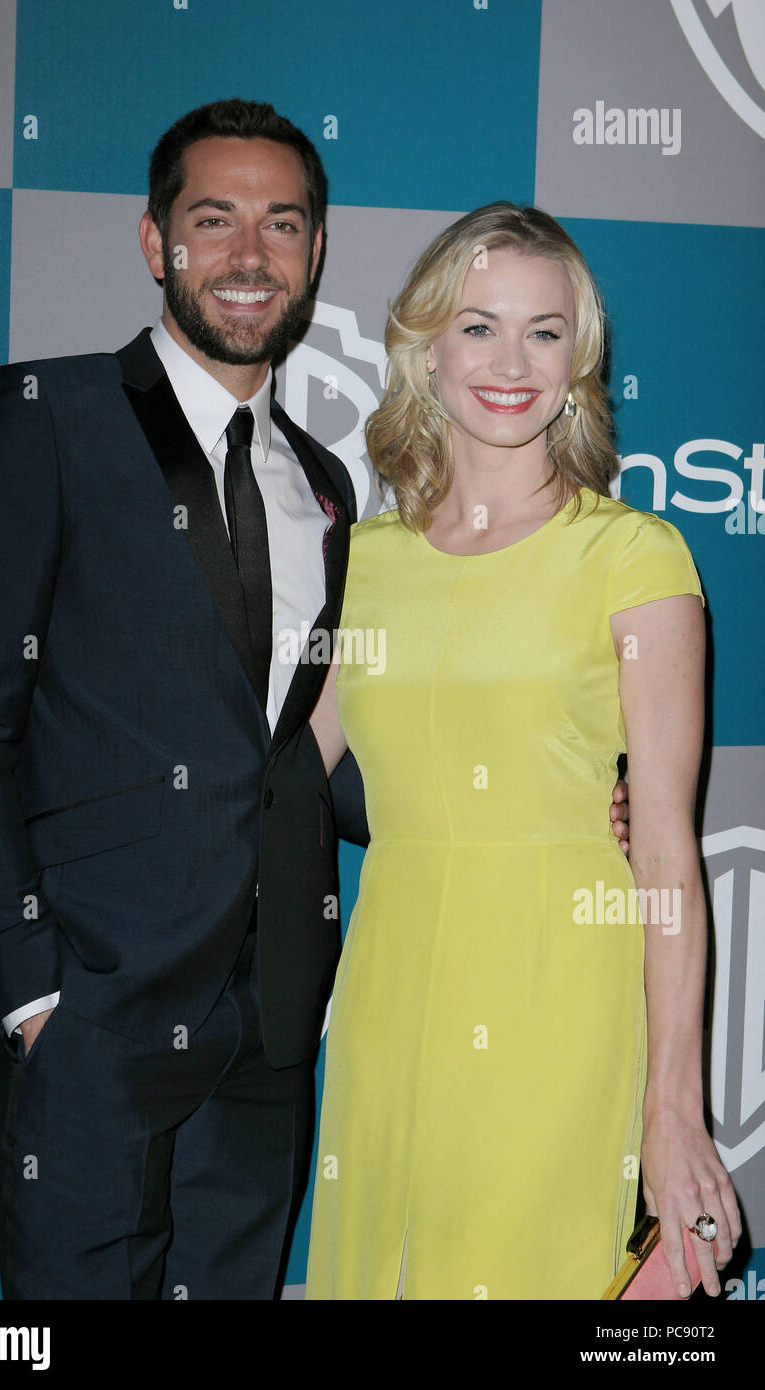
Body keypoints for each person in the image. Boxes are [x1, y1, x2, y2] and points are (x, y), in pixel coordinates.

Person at [0, 98, 368, 1301]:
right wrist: (31, 996)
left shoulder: (322, 484)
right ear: (155, 242)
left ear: (316, 252)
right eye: (214, 220)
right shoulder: (39, 419)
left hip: (264, 1026)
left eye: (281, 223)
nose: (250, 256)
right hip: (90, 1020)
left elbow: (300, 747)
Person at [304, 203, 741, 1300]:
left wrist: (673, 1107)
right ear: (423, 347)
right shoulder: (359, 560)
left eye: (544, 332)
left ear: (578, 359)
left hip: (562, 986)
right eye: (477, 326)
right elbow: (270, 788)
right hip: (388, 990)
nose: (510, 362)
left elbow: (667, 861)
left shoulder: (633, 556)